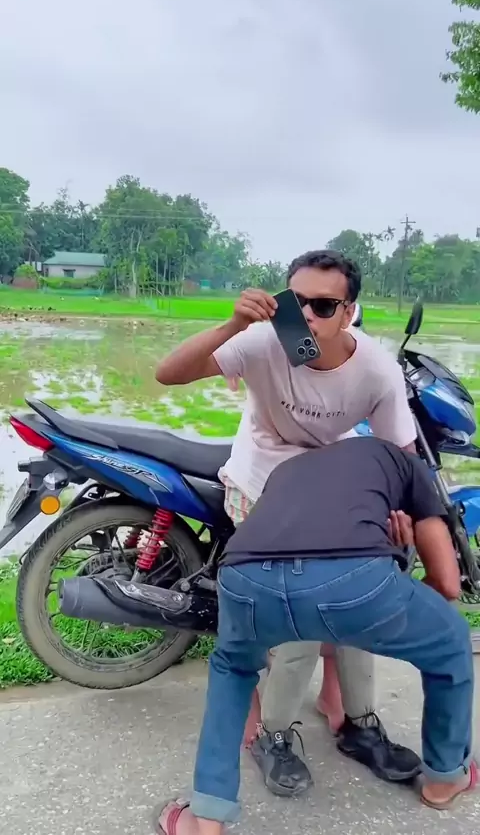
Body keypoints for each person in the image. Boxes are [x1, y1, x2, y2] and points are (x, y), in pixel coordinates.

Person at [156, 249, 420, 795]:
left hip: (326, 486)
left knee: (361, 591)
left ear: (349, 311)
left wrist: (400, 516)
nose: (306, 316)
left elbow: (401, 454)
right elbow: (169, 373)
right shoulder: (268, 341)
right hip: (259, 482)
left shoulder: (375, 369)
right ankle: (270, 732)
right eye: (295, 302)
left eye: (322, 306)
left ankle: (357, 721)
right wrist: (232, 324)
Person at [155, 436, 476, 835]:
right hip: (350, 579)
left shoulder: (288, 469)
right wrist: (397, 570)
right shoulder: (408, 464)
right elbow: (446, 583)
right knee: (450, 641)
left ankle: (206, 820)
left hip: (243, 577)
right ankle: (445, 779)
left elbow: (293, 563)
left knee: (232, 668)